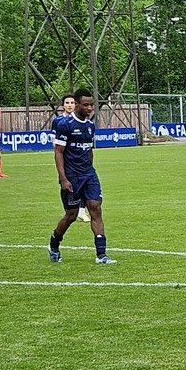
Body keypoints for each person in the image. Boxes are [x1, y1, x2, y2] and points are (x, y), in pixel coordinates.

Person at [48, 88, 116, 264]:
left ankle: (101, 254)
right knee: (71, 214)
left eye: (91, 105)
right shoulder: (65, 124)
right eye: (86, 105)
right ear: (76, 104)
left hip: (88, 174)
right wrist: (63, 178)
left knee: (95, 207)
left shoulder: (91, 126)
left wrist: (90, 170)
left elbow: (89, 150)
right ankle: (54, 243)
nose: (90, 108)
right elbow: (58, 152)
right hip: (71, 176)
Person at [51, 94, 89, 221]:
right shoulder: (58, 121)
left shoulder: (83, 120)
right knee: (69, 188)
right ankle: (70, 211)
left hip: (81, 162)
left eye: (72, 102)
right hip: (67, 161)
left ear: (76, 104)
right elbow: (55, 141)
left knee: (84, 185)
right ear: (63, 105)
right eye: (67, 103)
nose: (69, 105)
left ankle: (82, 212)